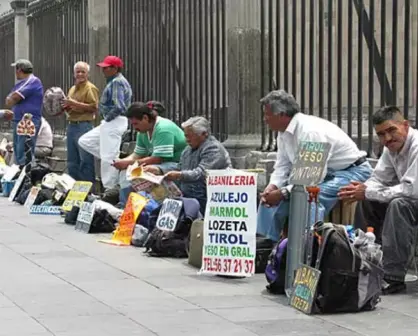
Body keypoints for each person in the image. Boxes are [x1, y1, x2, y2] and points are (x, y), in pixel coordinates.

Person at [257, 90, 372, 242]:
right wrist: (272, 188)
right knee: (267, 202)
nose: (265, 119)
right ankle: (264, 248)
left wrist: (282, 193)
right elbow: (282, 167)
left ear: (282, 114)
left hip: (350, 171)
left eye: (267, 114)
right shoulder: (283, 133)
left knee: (310, 197)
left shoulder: (310, 131)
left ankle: (304, 249)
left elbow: (309, 181)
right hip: (321, 174)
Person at [339, 106, 418, 295]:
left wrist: (369, 192)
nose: (387, 138)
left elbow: (410, 189)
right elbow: (377, 180)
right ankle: (363, 262)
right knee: (367, 201)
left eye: (392, 130)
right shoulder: (390, 148)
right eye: (381, 134)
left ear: (405, 126)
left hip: (412, 198)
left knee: (399, 204)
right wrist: (366, 192)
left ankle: (393, 276)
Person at [78, 55, 132, 190]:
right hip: (112, 121)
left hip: (114, 120)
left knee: (108, 157)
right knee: (85, 141)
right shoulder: (115, 81)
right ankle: (116, 161)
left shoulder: (116, 82)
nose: (104, 71)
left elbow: (119, 106)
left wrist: (108, 117)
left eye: (107, 68)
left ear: (115, 68)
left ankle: (110, 188)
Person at [159, 116, 231, 214]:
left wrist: (180, 175)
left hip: (206, 195)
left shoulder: (213, 148)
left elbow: (201, 173)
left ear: (204, 134)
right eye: (185, 136)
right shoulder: (187, 150)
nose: (186, 140)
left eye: (190, 136)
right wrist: (159, 170)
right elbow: (180, 167)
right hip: (188, 194)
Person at [113, 102, 187, 173]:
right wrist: (122, 162)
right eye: (132, 124)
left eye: (136, 123)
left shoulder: (163, 129)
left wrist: (128, 163)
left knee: (150, 170)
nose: (135, 127)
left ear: (145, 118)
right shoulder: (142, 131)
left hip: (180, 164)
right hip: (163, 164)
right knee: (127, 171)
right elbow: (138, 154)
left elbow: (157, 159)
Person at [63, 61, 99, 183]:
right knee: (72, 161)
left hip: (84, 126)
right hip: (71, 125)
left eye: (83, 72)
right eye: (77, 71)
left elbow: (94, 107)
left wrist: (74, 104)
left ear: (87, 73)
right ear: (74, 73)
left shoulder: (91, 88)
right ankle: (74, 190)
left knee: (85, 160)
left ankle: (88, 191)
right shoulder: (72, 89)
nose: (80, 74)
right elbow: (70, 106)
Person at [4, 59, 44, 166]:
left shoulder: (32, 81)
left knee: (25, 152)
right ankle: (20, 177)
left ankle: (27, 178)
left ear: (20, 70)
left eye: (16, 70)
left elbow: (14, 98)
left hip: (27, 121)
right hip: (18, 120)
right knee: (18, 151)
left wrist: (12, 98)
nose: (15, 72)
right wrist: (11, 98)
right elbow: (8, 100)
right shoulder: (20, 84)